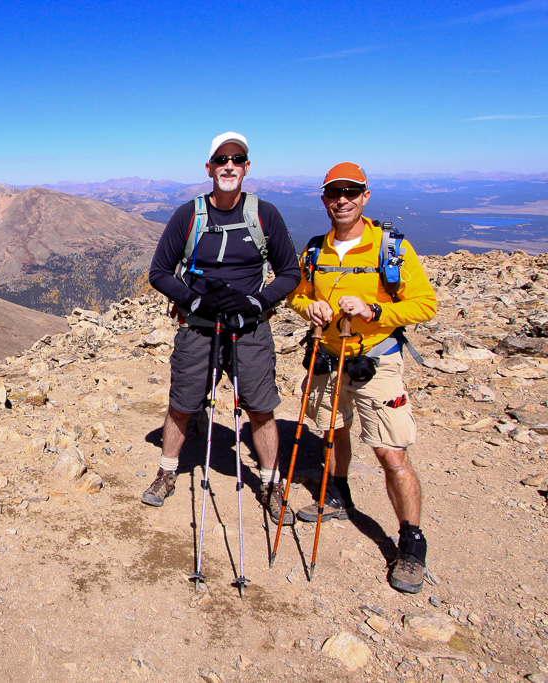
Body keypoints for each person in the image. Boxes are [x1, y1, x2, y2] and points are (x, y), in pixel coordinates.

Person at [287, 162, 437, 594]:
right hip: (328, 358)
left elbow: (425, 304)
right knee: (333, 431)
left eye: (351, 192)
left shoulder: (391, 248)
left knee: (390, 453)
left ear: (365, 197)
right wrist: (308, 307)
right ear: (324, 199)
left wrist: (375, 311)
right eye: (335, 192)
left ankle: (411, 543)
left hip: (376, 360)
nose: (343, 200)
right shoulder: (315, 251)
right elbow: (297, 294)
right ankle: (338, 495)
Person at [144, 131, 301, 526]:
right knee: (183, 403)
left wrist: (257, 301)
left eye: (236, 160)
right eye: (221, 160)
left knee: (260, 408)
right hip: (199, 326)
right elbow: (159, 271)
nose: (229, 166)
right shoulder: (189, 215)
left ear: (246, 168)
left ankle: (270, 483)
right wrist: (194, 301)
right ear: (209, 168)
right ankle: (167, 472)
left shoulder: (264, 214)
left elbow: (290, 272)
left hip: (250, 327)